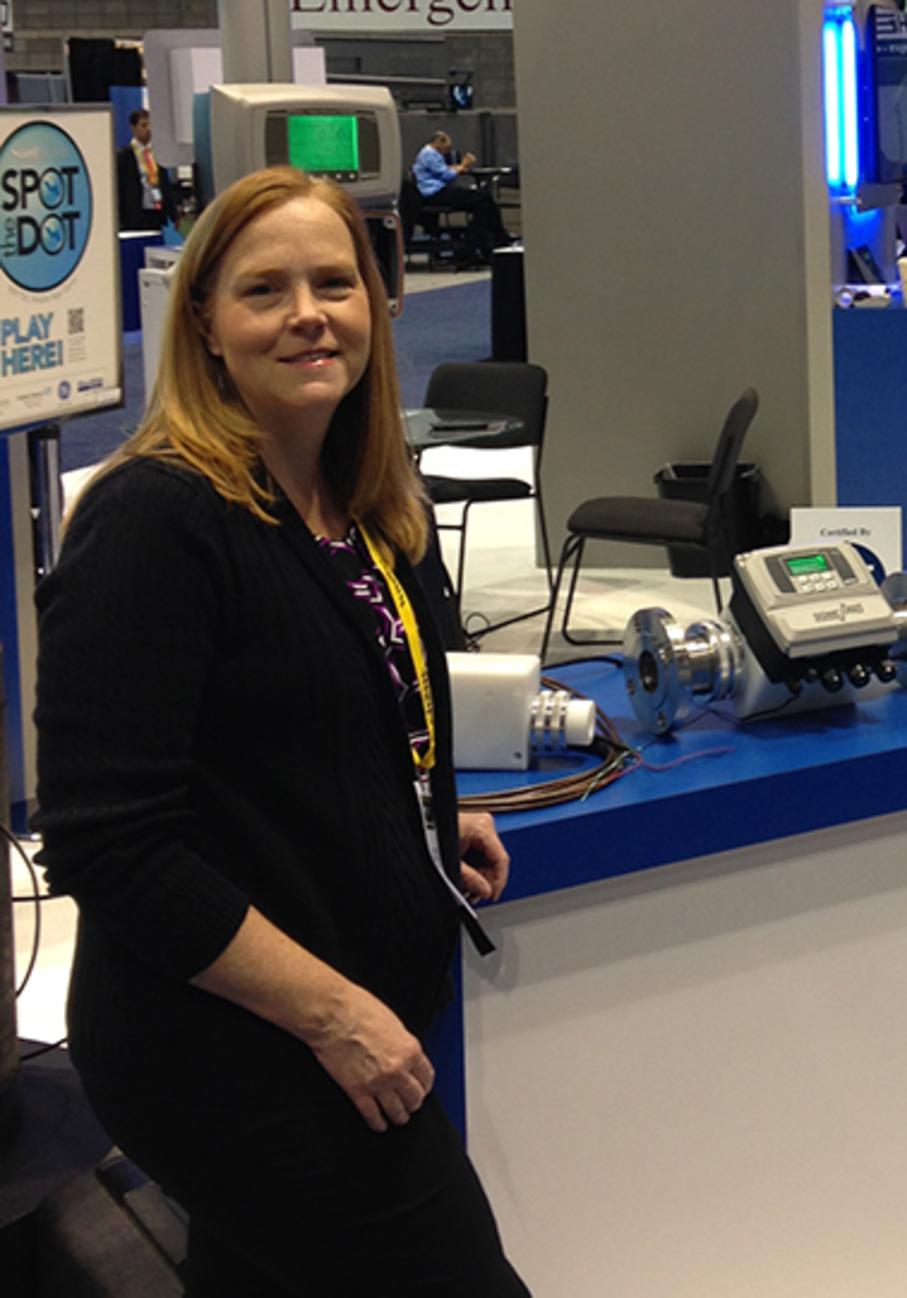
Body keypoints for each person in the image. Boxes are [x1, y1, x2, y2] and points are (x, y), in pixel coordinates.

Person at [35, 167, 530, 1297]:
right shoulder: (156, 517)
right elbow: (111, 842)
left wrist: (411, 816)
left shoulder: (363, 504)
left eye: (335, 281)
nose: (309, 312)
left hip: (331, 1020)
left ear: (376, 303)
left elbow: (305, 728)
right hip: (234, 1050)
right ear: (204, 324)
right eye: (265, 289)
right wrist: (337, 1012)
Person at [412, 130, 511, 266]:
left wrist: (457, 167)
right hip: (436, 193)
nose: (447, 151)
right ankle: (497, 238)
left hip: (437, 192)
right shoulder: (429, 154)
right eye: (447, 147)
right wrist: (464, 165)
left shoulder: (428, 154)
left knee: (483, 206)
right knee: (484, 196)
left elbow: (444, 169)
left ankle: (481, 242)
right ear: (438, 143)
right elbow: (448, 176)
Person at [116, 108, 180, 232]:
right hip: (134, 215)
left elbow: (165, 185)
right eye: (143, 125)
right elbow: (118, 188)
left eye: (150, 125)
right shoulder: (124, 156)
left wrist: (174, 215)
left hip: (157, 212)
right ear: (133, 128)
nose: (148, 129)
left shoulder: (158, 153)